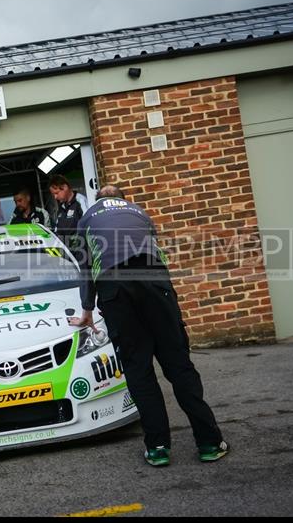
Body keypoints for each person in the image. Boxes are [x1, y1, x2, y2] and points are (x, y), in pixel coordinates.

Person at [69, 184, 229, 467]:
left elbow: (85, 268)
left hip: (114, 288)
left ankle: (157, 447)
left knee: (138, 369)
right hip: (154, 282)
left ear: (98, 200)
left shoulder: (86, 219)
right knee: (178, 365)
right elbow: (159, 257)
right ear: (122, 199)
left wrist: (87, 311)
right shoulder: (140, 212)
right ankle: (209, 442)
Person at [48, 174, 89, 250]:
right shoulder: (61, 207)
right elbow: (57, 231)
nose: (55, 197)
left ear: (65, 187)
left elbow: (87, 225)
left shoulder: (80, 201)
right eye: (53, 194)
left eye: (56, 193)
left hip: (81, 250)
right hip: (66, 251)